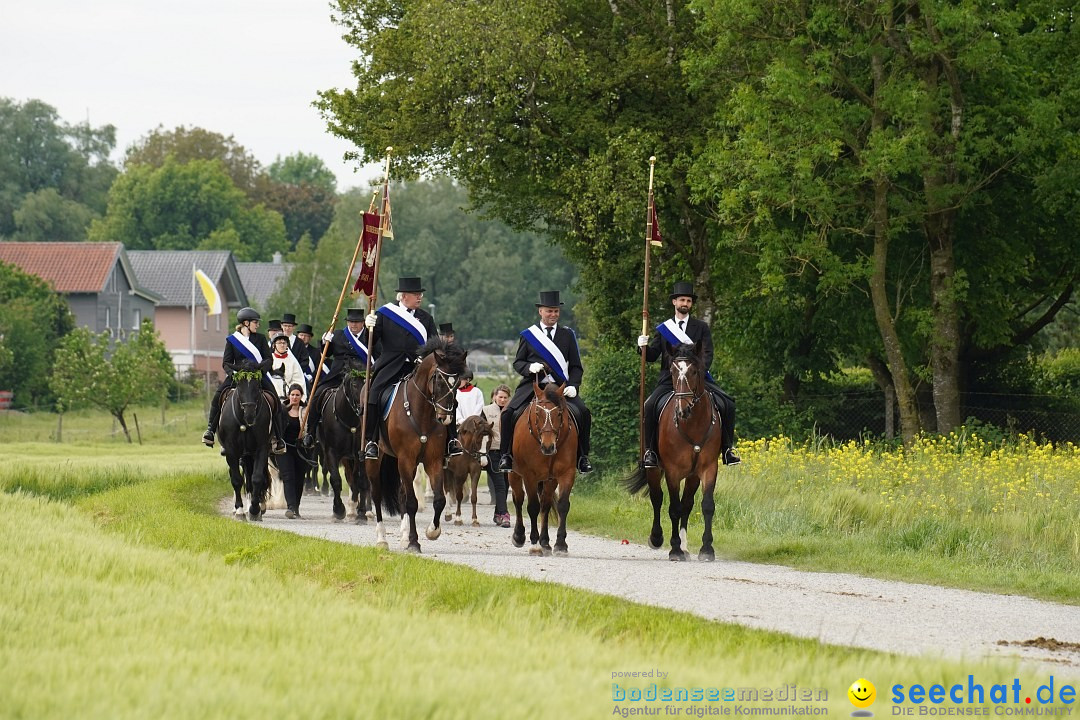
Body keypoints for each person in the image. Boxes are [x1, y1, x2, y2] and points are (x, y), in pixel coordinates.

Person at [358, 276, 463, 461]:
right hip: (390, 365)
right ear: (403, 296)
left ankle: (452, 440)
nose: (420, 298)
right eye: (416, 294)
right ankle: (371, 441)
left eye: (420, 294)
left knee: (447, 397)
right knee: (373, 395)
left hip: (417, 368)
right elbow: (371, 343)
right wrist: (369, 328)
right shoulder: (384, 314)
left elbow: (435, 346)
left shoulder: (426, 318)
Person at [637, 281, 740, 468]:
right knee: (649, 405)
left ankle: (727, 450)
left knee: (728, 403)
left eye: (688, 301)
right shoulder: (664, 329)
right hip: (670, 380)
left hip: (696, 379)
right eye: (682, 300)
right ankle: (651, 452)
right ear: (674, 302)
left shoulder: (701, 327)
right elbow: (652, 356)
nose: (685, 303)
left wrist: (697, 373)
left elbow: (708, 353)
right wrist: (642, 346)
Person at [498, 290, 593, 474]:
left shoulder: (568, 335)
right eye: (549, 311)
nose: (553, 315)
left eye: (556, 311)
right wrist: (529, 368)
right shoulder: (528, 335)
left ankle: (582, 457)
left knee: (583, 413)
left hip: (559, 387)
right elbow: (518, 362)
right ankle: (506, 456)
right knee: (508, 413)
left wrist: (574, 385)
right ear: (540, 311)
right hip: (532, 385)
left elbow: (576, 366)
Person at [201, 306, 286, 454]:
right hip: (238, 376)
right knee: (217, 398)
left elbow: (268, 359)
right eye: (255, 322)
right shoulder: (232, 340)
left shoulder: (260, 338)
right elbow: (226, 362)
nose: (258, 325)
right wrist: (233, 373)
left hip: (258, 376)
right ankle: (210, 430)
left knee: (275, 401)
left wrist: (261, 372)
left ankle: (278, 439)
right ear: (246, 323)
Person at [301, 308, 372, 448]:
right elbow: (326, 354)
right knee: (317, 395)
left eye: (357, 322)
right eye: (351, 322)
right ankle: (310, 432)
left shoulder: (370, 336)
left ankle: (373, 437)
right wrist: (324, 342)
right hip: (338, 373)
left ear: (363, 323)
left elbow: (377, 354)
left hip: (361, 375)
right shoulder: (339, 334)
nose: (354, 325)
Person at [481, 384, 512, 527]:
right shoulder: (486, 411)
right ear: (494, 397)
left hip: (507, 453)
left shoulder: (512, 411)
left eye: (506, 397)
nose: (503, 400)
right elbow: (481, 434)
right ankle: (505, 515)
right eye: (500, 397)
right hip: (492, 452)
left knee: (506, 484)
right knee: (499, 484)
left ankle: (497, 514)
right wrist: (482, 454)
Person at [278, 384, 306, 519]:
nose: (294, 397)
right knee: (288, 477)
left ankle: (296, 507)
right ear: (289, 396)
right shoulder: (281, 411)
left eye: (297, 395)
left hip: (301, 449)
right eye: (292, 395)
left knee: (299, 478)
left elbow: (311, 431)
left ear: (301, 397)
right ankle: (290, 507)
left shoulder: (306, 411)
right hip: (285, 448)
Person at [268, 334, 307, 404]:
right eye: (279, 343)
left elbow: (298, 379)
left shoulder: (292, 361)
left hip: (289, 396)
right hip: (271, 394)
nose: (282, 345)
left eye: (284, 343)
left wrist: (290, 393)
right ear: (274, 345)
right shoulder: (268, 359)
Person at [281, 313, 309, 377]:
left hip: (296, 375)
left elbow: (305, 360)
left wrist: (297, 372)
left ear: (294, 327)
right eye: (285, 326)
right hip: (279, 374)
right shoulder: (276, 340)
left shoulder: (300, 342)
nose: (287, 328)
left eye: (289, 326)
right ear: (281, 326)